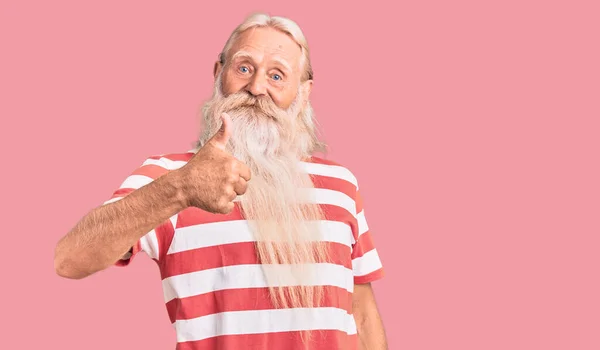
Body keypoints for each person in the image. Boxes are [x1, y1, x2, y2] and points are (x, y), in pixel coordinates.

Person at [54, 12, 388, 350]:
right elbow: (70, 259)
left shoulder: (341, 185)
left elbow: (361, 313)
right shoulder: (170, 176)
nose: (257, 88)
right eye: (244, 68)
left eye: (277, 76)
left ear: (302, 95)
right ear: (219, 74)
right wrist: (181, 188)